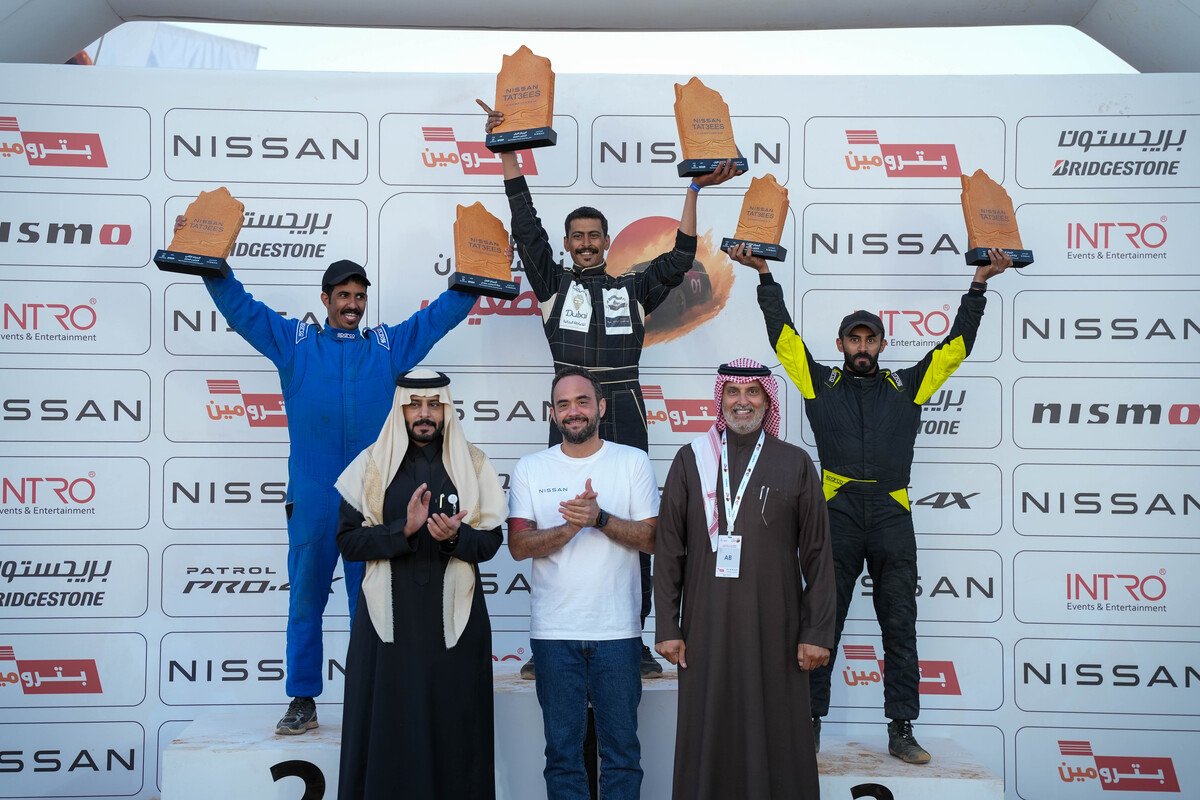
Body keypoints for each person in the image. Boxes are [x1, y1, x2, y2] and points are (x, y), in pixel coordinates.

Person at [173, 215, 476, 734]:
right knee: (305, 603)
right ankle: (302, 700)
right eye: (343, 296)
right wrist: (208, 261)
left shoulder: (386, 348)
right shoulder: (294, 343)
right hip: (313, 496)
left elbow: (436, 320)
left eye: (359, 296)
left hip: (369, 498)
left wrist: (476, 276)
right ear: (326, 298)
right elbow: (242, 310)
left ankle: (371, 697)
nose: (352, 304)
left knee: (372, 602)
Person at [729, 243, 1013, 764]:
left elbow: (955, 347)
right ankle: (809, 723)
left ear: (882, 344)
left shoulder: (908, 386)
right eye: (854, 339)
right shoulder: (820, 382)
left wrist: (979, 285)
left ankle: (902, 729)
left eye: (870, 339)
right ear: (840, 343)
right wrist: (764, 274)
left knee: (899, 624)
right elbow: (783, 336)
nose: (862, 346)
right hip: (835, 513)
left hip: (891, 514)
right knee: (821, 623)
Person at [483, 104, 739, 681]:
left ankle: (636, 640)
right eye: (577, 237)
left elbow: (680, 257)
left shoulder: (634, 288)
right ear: (568, 244)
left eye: (594, 236)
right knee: (554, 519)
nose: (586, 244)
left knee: (633, 525)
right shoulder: (552, 285)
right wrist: (508, 153)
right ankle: (548, 641)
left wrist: (695, 190)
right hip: (571, 415)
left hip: (624, 408)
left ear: (606, 242)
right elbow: (525, 225)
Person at [654, 358, 835, 799]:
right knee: (707, 729)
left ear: (767, 400)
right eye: (733, 392)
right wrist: (667, 626)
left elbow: (818, 554)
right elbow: (669, 549)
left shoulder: (794, 462)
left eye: (753, 392)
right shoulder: (690, 460)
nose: (742, 401)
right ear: (720, 398)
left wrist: (816, 632)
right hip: (705, 628)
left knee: (776, 729)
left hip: (776, 629)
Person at [334, 369, 504, 799]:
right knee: (387, 728)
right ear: (401, 409)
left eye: (433, 404)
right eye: (414, 405)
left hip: (455, 625)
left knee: (457, 727)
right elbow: (348, 542)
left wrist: (456, 538)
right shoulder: (371, 464)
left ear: (446, 409)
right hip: (387, 625)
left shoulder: (474, 464)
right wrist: (403, 530)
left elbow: (490, 542)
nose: (424, 413)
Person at [506, 366, 660, 800]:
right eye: (563, 404)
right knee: (562, 756)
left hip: (618, 633)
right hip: (554, 635)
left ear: (601, 407)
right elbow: (518, 546)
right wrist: (572, 527)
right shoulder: (531, 468)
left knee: (622, 754)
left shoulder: (632, 461)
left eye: (582, 401)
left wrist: (600, 519)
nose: (573, 411)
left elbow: (653, 539)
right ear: (553, 414)